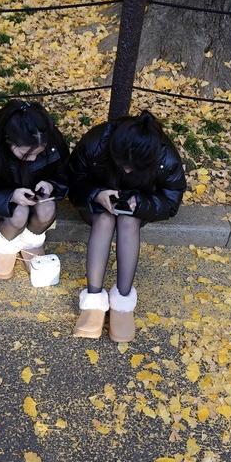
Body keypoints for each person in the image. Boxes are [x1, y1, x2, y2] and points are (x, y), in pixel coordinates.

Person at [68, 111, 187, 342]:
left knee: (128, 220)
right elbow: (72, 180)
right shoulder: (97, 140)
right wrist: (97, 194)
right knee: (104, 220)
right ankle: (93, 300)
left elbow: (171, 201)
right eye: (123, 164)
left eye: (136, 167)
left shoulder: (164, 155)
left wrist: (140, 203)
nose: (128, 171)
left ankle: (122, 301)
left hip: (138, 205)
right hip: (95, 202)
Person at [0, 100, 69, 281]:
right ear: (8, 141)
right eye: (26, 154)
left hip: (34, 199)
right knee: (19, 213)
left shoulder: (48, 137)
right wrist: (10, 196)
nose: (32, 159)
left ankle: (31, 241)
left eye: (38, 153)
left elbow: (66, 174)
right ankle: (5, 243)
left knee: (47, 209)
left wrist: (52, 185)